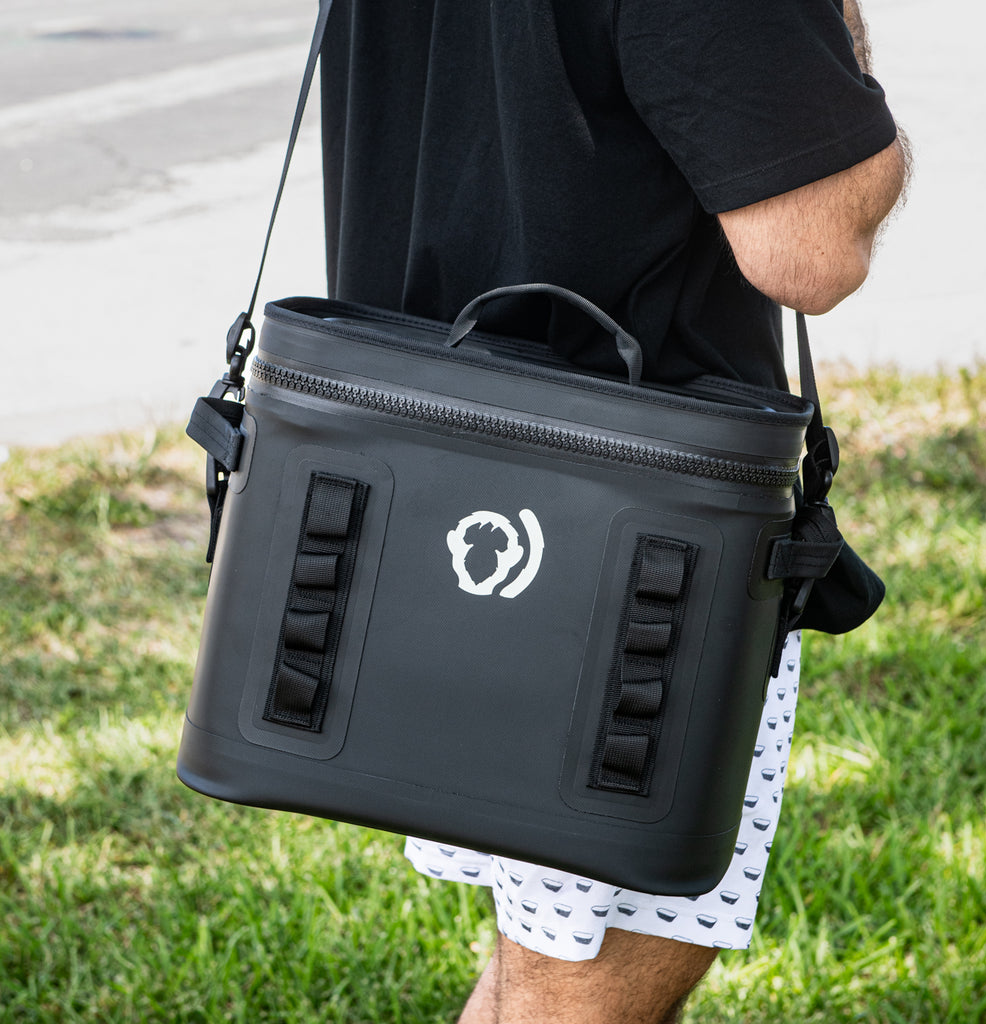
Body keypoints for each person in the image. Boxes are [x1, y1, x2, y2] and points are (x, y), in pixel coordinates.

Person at [318, 1, 909, 1020]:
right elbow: (811, 246)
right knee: (582, 984)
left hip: (433, 475)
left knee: (550, 964)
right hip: (640, 538)